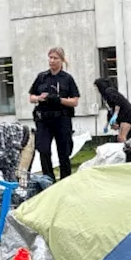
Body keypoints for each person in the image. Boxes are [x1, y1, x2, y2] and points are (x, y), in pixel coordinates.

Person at [28, 47, 80, 180]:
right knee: (43, 150)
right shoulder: (41, 77)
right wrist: (39, 98)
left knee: (64, 152)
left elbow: (75, 101)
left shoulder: (67, 79)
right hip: (44, 120)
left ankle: (65, 180)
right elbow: (31, 97)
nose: (51, 61)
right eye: (50, 57)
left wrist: (59, 100)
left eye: (55, 58)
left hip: (61, 119)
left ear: (61, 60)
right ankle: (48, 179)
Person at [94, 77, 131, 143]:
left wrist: (115, 115)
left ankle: (128, 149)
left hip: (127, 114)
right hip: (123, 115)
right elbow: (110, 110)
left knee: (121, 137)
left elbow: (118, 102)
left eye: (96, 87)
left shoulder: (109, 91)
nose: (96, 89)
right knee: (120, 137)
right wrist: (107, 124)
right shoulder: (105, 97)